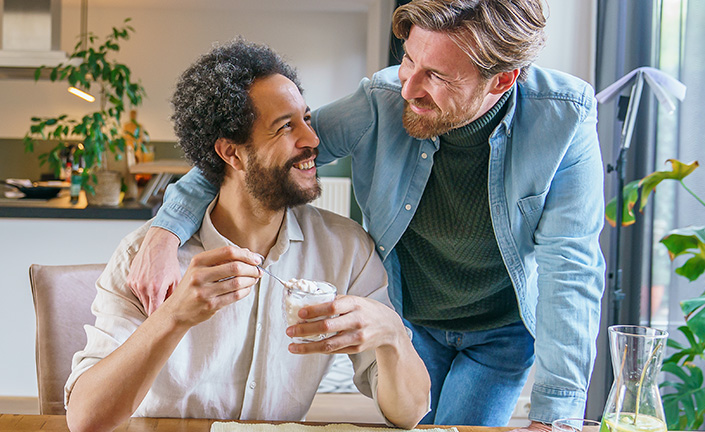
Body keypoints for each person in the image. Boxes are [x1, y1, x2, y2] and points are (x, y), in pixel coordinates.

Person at [128, 0, 606, 429]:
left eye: (436, 76)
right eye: (409, 60)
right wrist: (164, 230)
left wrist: (556, 416)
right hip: (411, 319)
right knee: (410, 420)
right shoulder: (380, 99)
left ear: (502, 80)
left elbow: (571, 269)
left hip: (499, 334)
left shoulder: (564, 118)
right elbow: (256, 157)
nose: (408, 86)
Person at [64, 39, 430, 432]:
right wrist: (173, 317)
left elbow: (408, 413)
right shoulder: (148, 259)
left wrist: (393, 334)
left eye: (306, 119)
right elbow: (86, 419)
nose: (312, 139)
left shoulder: (347, 249)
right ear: (232, 153)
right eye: (285, 126)